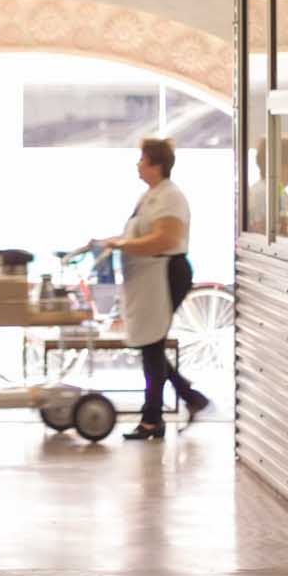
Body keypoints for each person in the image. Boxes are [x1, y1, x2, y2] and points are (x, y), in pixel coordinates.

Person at [93, 137, 210, 438]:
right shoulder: (151, 196)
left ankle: (152, 419)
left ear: (156, 165)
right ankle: (189, 397)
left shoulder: (170, 197)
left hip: (165, 273)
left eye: (142, 160)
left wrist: (122, 243)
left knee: (152, 345)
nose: (138, 165)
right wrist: (108, 242)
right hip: (146, 277)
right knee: (150, 343)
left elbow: (166, 239)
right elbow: (137, 234)